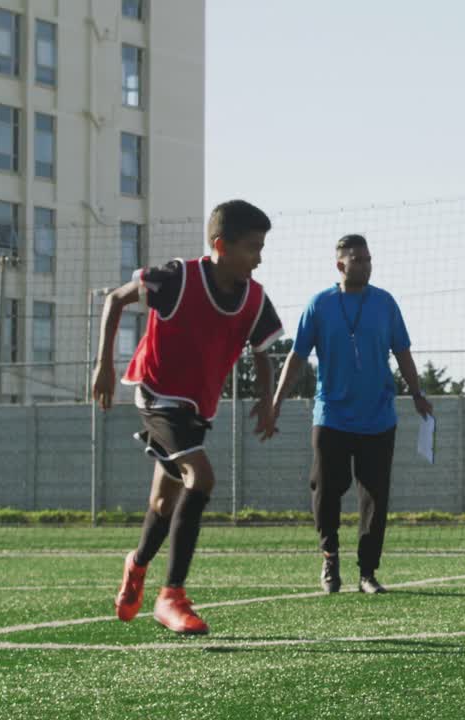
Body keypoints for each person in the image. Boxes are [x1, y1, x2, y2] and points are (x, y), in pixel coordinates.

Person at [94, 199, 283, 635]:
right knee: (201, 477)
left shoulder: (254, 298)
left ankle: (137, 565)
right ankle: (171, 595)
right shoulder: (177, 278)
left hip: (197, 410)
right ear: (220, 246)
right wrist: (104, 365)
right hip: (157, 395)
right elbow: (116, 299)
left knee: (164, 501)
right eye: (252, 247)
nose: (259, 256)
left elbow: (263, 350)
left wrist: (267, 399)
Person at [272, 233, 433, 595]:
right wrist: (277, 399)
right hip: (332, 415)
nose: (365, 264)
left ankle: (368, 572)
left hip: (378, 417)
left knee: (375, 495)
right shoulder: (320, 304)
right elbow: (296, 357)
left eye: (368, 258)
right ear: (340, 264)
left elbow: (403, 352)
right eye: (357, 259)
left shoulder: (385, 303)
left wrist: (418, 393)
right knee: (326, 488)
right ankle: (330, 556)